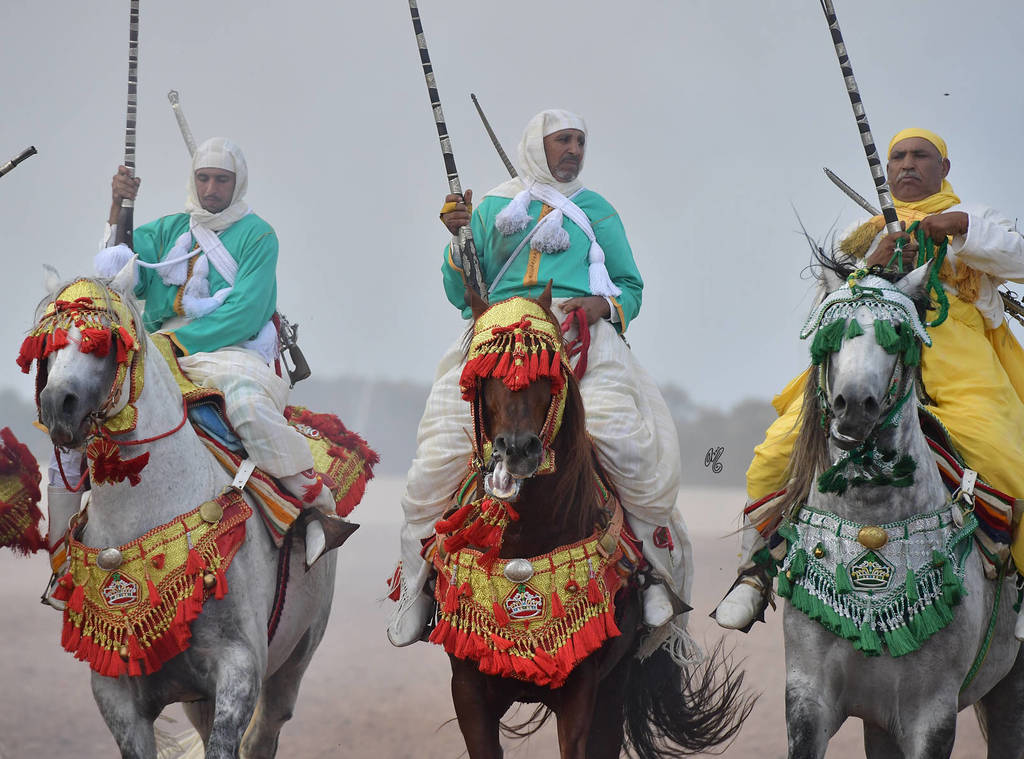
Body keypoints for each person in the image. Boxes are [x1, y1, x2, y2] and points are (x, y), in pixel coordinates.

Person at [388, 109, 693, 648]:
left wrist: (598, 306)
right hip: (496, 341)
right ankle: (419, 582)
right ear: (537, 145)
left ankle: (652, 578)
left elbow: (630, 286)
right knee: (436, 457)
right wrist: (457, 240)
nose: (573, 150)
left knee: (629, 446)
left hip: (580, 343)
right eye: (562, 141)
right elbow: (461, 292)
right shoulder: (489, 209)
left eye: (579, 141)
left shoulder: (597, 211)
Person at [714, 127, 1024, 635]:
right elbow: (833, 303)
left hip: (957, 350)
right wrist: (874, 263)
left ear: (944, 168)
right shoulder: (867, 231)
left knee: (1003, 453)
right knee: (776, 450)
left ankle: (1019, 579)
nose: (906, 164)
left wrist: (950, 225)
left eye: (920, 155)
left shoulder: (980, 218)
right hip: (872, 351)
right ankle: (754, 574)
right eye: (897, 156)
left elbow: (1018, 258)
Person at [45, 138, 352, 584]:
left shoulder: (260, 236)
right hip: (157, 352)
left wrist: (179, 343)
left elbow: (246, 310)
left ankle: (312, 505)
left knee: (247, 409)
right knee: (82, 422)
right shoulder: (168, 229)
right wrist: (118, 206)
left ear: (237, 183)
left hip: (234, 354)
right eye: (204, 178)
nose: (211, 189)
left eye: (221, 180)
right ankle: (64, 561)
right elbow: (116, 274)